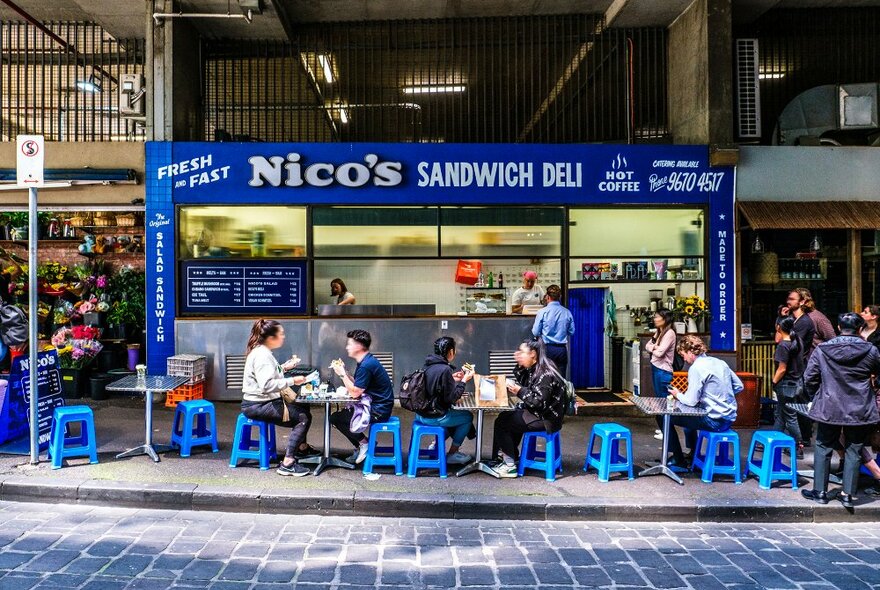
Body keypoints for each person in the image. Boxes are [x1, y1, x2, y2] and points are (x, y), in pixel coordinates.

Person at [801, 313, 880, 508]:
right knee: (854, 448)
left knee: (823, 446)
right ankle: (847, 494)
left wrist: (815, 396)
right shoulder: (871, 350)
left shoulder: (822, 349)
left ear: (838, 327)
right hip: (859, 406)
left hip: (829, 404)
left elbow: (809, 377)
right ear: (860, 329)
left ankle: (820, 491)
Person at [241, 319, 317, 477]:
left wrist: (284, 367)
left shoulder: (262, 351)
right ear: (270, 337)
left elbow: (267, 373)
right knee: (303, 417)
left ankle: (301, 448)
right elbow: (266, 385)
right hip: (258, 405)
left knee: (303, 406)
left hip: (262, 401)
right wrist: (293, 380)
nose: (283, 337)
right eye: (281, 334)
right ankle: (288, 463)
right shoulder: (262, 355)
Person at [491, 338, 566, 477]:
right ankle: (509, 456)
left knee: (502, 422)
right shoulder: (539, 367)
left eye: (522, 352)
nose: (518, 354)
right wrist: (519, 364)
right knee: (508, 416)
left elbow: (538, 402)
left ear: (533, 354)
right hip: (542, 414)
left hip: (546, 418)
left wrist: (519, 391)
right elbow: (524, 380)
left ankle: (509, 466)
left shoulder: (545, 373)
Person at [666, 335, 742, 469]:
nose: (684, 359)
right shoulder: (720, 362)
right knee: (688, 421)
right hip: (729, 419)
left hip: (715, 421)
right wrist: (720, 397)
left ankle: (678, 458)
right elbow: (739, 386)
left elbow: (691, 401)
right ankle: (693, 453)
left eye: (683, 355)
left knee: (666, 418)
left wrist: (677, 394)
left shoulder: (696, 368)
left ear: (690, 352)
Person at [329, 329, 394, 464]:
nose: (347, 347)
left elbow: (354, 392)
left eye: (349, 344)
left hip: (379, 410)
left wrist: (341, 375)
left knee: (336, 418)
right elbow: (357, 385)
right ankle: (362, 445)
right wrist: (345, 371)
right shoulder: (365, 361)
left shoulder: (366, 365)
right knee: (340, 416)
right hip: (377, 405)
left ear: (359, 346)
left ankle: (364, 444)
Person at [417, 336, 476, 464]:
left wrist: (452, 378)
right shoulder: (445, 369)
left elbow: (436, 386)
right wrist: (465, 380)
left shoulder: (429, 365)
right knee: (467, 417)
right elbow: (452, 398)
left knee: (454, 416)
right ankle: (453, 453)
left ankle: (436, 445)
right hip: (433, 416)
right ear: (450, 352)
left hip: (420, 414)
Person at [771, 316, 805, 458]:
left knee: (790, 416)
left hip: (785, 384)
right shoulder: (797, 341)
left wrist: (773, 382)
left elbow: (782, 368)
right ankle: (775, 441)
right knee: (780, 414)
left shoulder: (783, 345)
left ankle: (798, 445)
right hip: (796, 382)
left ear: (779, 327)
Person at [531, 284, 574, 375]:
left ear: (548, 297)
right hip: (562, 349)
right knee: (561, 378)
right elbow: (571, 331)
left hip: (547, 349)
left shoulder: (542, 312)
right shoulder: (567, 312)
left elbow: (535, 332)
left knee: (546, 377)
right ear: (560, 297)